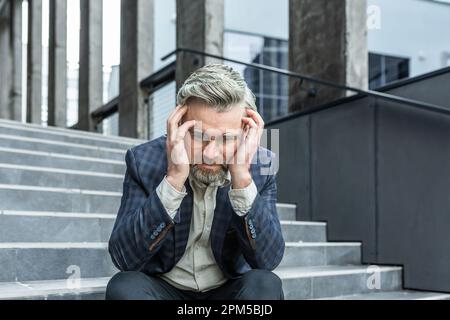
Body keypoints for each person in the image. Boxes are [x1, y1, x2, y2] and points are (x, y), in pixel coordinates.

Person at [106, 64, 284, 300]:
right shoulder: (143, 160)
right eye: (198, 136)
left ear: (246, 132)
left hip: (227, 292)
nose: (210, 154)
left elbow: (267, 260)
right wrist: (173, 179)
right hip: (164, 290)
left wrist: (241, 177)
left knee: (265, 285)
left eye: (227, 139)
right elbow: (124, 258)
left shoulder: (261, 166)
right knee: (124, 287)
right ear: (178, 124)